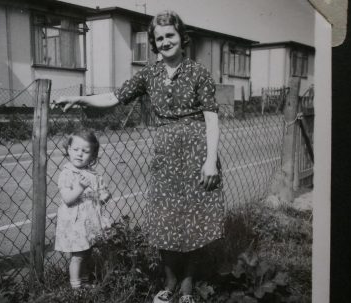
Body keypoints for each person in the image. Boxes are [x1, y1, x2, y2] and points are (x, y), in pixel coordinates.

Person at [54, 10, 224, 303]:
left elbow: (212, 119)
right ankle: (169, 284)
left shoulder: (198, 72)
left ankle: (187, 287)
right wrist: (82, 98)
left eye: (170, 35)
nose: (166, 41)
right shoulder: (149, 74)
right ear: (154, 44)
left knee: (195, 220)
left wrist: (210, 161)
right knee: (165, 220)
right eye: (159, 38)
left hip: (198, 154)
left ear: (182, 38)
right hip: (166, 158)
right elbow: (115, 97)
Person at [54, 130, 111, 289]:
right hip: (75, 223)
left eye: (85, 151)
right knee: (77, 256)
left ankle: (85, 281)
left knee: (87, 253)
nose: (79, 154)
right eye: (76, 149)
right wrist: (79, 187)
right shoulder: (67, 173)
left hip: (90, 221)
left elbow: (102, 193)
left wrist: (104, 195)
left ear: (93, 156)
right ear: (68, 150)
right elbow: (67, 199)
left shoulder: (93, 174)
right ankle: (75, 288)